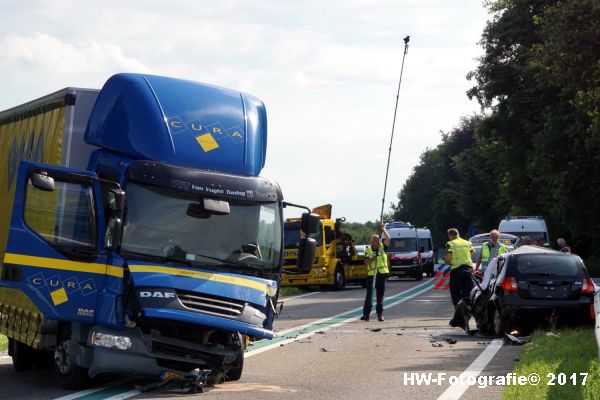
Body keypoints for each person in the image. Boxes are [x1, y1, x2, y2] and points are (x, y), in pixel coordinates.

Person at [360, 223, 391, 322]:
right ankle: (366, 314)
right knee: (369, 295)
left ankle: (379, 314)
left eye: (378, 240)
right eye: (375, 240)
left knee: (380, 295)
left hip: (381, 274)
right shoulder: (368, 250)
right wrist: (373, 257)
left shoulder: (382, 247)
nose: (377, 241)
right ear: (372, 241)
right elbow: (366, 261)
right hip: (371, 275)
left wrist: (383, 229)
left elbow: (388, 239)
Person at [445, 228, 475, 327]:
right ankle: (465, 314)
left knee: (455, 293)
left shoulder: (451, 244)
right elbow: (472, 253)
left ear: (450, 235)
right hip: (468, 269)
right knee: (467, 293)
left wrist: (446, 261)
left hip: (456, 270)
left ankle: (459, 317)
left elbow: (448, 258)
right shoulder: (467, 242)